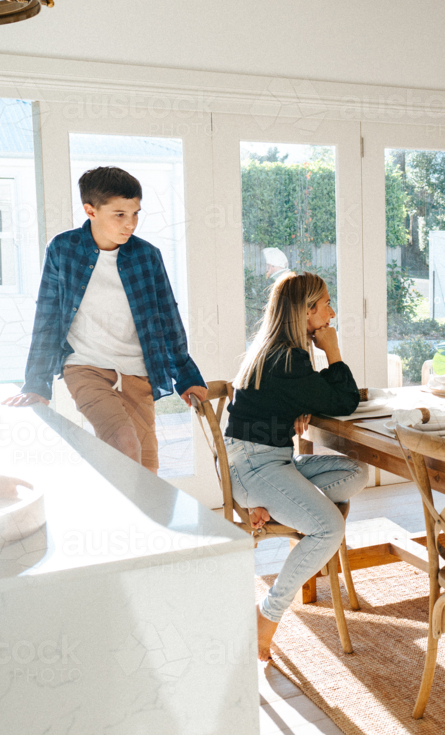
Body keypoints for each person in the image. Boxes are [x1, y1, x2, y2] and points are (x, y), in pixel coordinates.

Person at [2, 167, 207, 474]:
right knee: (124, 444)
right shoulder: (64, 249)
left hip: (138, 371)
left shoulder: (147, 256)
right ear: (91, 210)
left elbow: (166, 319)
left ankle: (130, 521)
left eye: (136, 213)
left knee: (147, 471)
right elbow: (48, 316)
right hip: (85, 366)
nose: (131, 224)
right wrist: (36, 383)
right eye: (120, 214)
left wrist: (188, 376)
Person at [224, 272, 368, 661]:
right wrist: (333, 351)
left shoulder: (277, 351)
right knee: (328, 527)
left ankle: (281, 504)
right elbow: (344, 401)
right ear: (305, 313)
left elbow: (315, 394)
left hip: (270, 460)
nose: (332, 312)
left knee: (357, 473)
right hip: (254, 467)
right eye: (325, 304)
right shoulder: (289, 358)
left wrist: (304, 399)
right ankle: (266, 614)